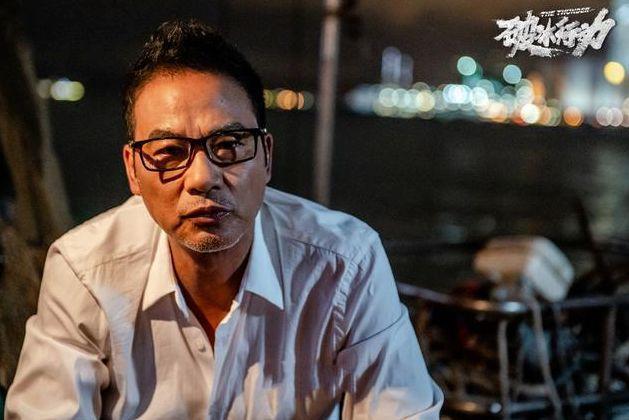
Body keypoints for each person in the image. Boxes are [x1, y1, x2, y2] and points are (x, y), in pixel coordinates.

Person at [5, 19, 442, 419]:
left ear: (266, 156)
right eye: (169, 152)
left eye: (229, 145)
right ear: (133, 171)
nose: (202, 178)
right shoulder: (85, 271)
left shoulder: (344, 265)